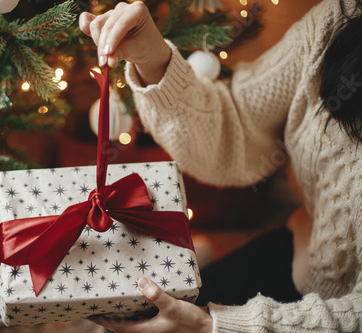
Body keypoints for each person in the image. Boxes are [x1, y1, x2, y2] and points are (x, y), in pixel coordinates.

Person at [79, 0, 362, 331]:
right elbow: (236, 125)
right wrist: (154, 61)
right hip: (305, 257)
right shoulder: (340, 17)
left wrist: (212, 326)